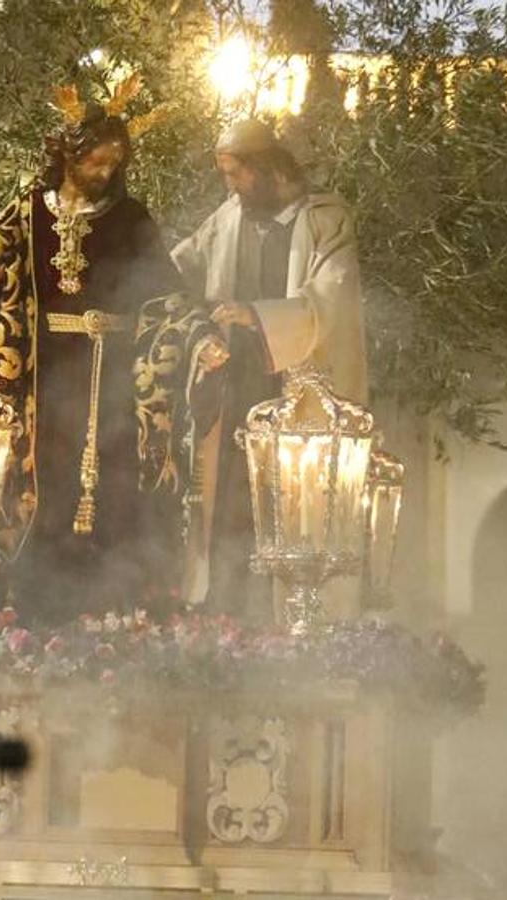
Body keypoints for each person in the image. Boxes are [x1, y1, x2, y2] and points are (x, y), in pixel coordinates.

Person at [0, 87, 226, 621]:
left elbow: (167, 296)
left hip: (115, 380)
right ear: (65, 155)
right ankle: (33, 615)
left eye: (114, 162)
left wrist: (199, 339)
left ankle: (118, 610)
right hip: (42, 379)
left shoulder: (131, 220)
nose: (104, 171)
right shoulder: (27, 213)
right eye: (94, 160)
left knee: (115, 483)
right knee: (42, 485)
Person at [171, 118, 367, 616]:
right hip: (234, 387)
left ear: (267, 168)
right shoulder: (229, 216)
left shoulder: (324, 220)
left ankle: (290, 622)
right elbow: (182, 263)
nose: (230, 185)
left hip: (296, 388)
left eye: (236, 173)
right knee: (231, 506)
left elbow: (332, 297)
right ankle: (227, 616)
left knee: (290, 509)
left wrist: (256, 317)